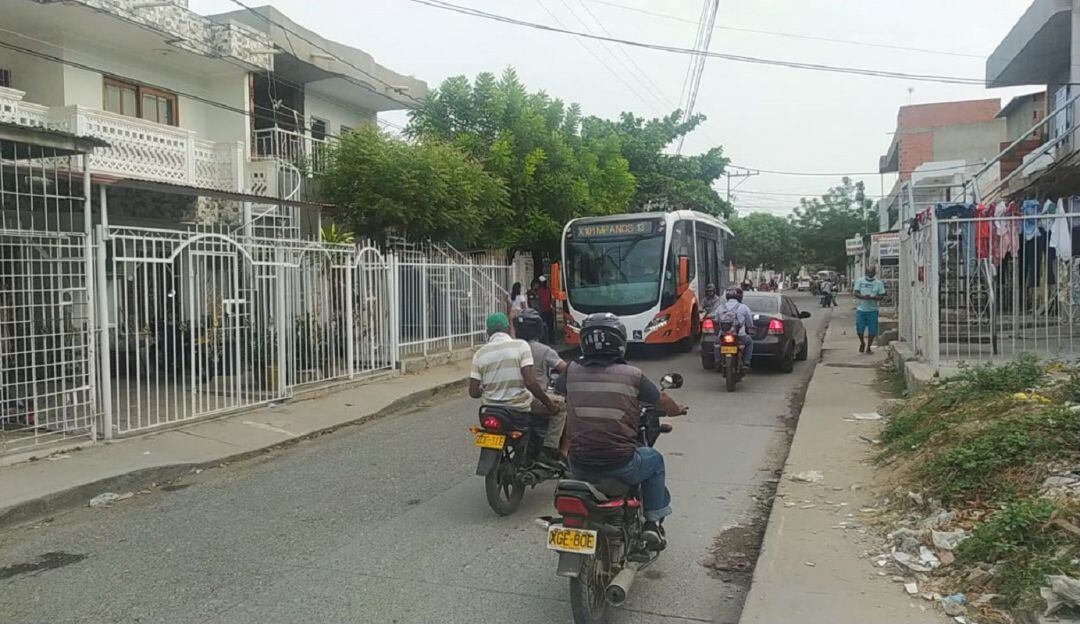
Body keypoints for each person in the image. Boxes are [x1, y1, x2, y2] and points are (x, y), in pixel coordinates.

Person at [554, 313, 683, 549]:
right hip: (620, 463)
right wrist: (677, 410)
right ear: (620, 342)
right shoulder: (632, 375)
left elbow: (555, 392)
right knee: (655, 460)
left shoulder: (571, 371)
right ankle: (652, 523)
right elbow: (662, 400)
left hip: (579, 463)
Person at [469, 313, 561, 467]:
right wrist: (548, 404)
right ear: (508, 329)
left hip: (489, 410)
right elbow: (530, 382)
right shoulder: (520, 346)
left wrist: (482, 389)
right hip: (516, 409)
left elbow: (473, 393)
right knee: (559, 407)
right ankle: (548, 450)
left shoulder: (479, 354)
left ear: (488, 332)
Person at [514, 309, 569, 464]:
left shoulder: (511, 347)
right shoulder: (544, 350)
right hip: (533, 399)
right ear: (539, 329)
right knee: (563, 407)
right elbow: (566, 369)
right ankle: (553, 449)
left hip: (510, 399)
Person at [714, 286, 754, 371]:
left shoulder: (720, 307)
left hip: (723, 335)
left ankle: (718, 362)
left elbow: (716, 321)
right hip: (740, 335)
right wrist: (749, 328)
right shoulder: (744, 307)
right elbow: (750, 323)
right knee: (749, 342)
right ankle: (746, 363)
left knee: (717, 343)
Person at [853, 267, 886, 354]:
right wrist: (863, 297)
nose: (870, 274)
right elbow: (856, 293)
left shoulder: (879, 283)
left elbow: (881, 296)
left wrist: (873, 297)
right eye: (868, 272)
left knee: (872, 330)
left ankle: (868, 347)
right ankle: (862, 343)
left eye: (872, 273)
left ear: (875, 273)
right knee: (859, 329)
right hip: (861, 310)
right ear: (866, 272)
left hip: (873, 310)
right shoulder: (860, 281)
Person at [536, 275, 555, 342]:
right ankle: (544, 339)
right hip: (542, 311)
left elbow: (551, 299)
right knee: (543, 326)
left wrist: (552, 307)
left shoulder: (547, 290)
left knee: (550, 326)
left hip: (547, 310)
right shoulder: (539, 291)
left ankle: (551, 339)